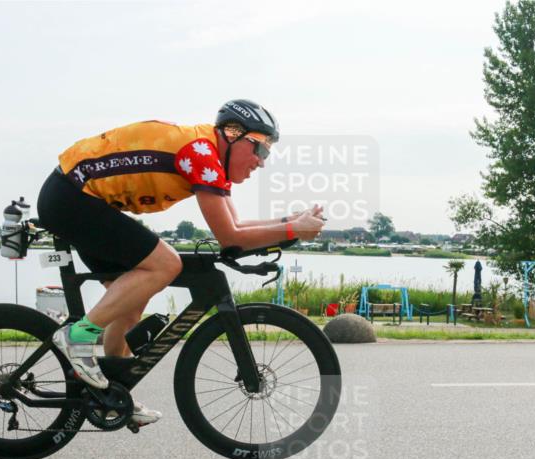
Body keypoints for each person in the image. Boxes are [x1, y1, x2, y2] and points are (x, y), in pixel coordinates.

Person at [36, 100, 325, 426]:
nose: (261, 162)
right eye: (260, 149)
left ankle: (110, 393)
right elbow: (230, 238)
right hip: (72, 198)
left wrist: (291, 222)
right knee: (165, 264)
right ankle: (79, 336)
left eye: (267, 154)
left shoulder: (211, 157)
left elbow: (238, 226)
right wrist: (291, 229)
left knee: (129, 306)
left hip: (81, 199)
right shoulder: (200, 154)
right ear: (233, 135)